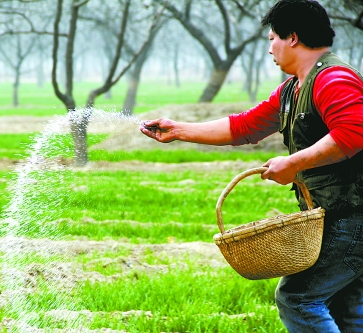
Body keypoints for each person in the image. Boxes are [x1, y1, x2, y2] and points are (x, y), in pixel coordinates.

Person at [140, 0, 363, 331]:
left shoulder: (333, 80)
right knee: (347, 307)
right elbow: (243, 127)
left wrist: (293, 162)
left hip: (352, 216)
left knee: (298, 299)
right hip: (337, 214)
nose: (269, 47)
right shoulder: (293, 90)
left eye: (272, 37)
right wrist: (179, 130)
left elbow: (353, 132)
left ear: (293, 37)